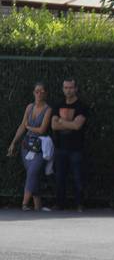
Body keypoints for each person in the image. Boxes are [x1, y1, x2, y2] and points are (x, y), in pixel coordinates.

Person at [6, 82, 52, 211]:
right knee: (32, 174)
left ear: (46, 93)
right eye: (37, 91)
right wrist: (14, 142)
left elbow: (42, 130)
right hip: (26, 146)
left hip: (39, 147)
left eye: (42, 91)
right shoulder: (29, 107)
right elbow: (22, 126)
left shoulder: (48, 110)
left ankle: (24, 204)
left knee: (32, 171)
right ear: (33, 93)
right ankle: (38, 206)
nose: (39, 93)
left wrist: (29, 127)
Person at [51, 78, 89, 212]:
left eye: (71, 87)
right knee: (59, 177)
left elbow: (78, 125)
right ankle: (60, 204)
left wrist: (62, 121)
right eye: (66, 87)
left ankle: (80, 204)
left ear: (76, 89)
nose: (68, 90)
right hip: (60, 147)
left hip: (77, 148)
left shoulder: (81, 106)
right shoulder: (57, 104)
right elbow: (54, 125)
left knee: (78, 177)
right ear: (62, 89)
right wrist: (69, 124)